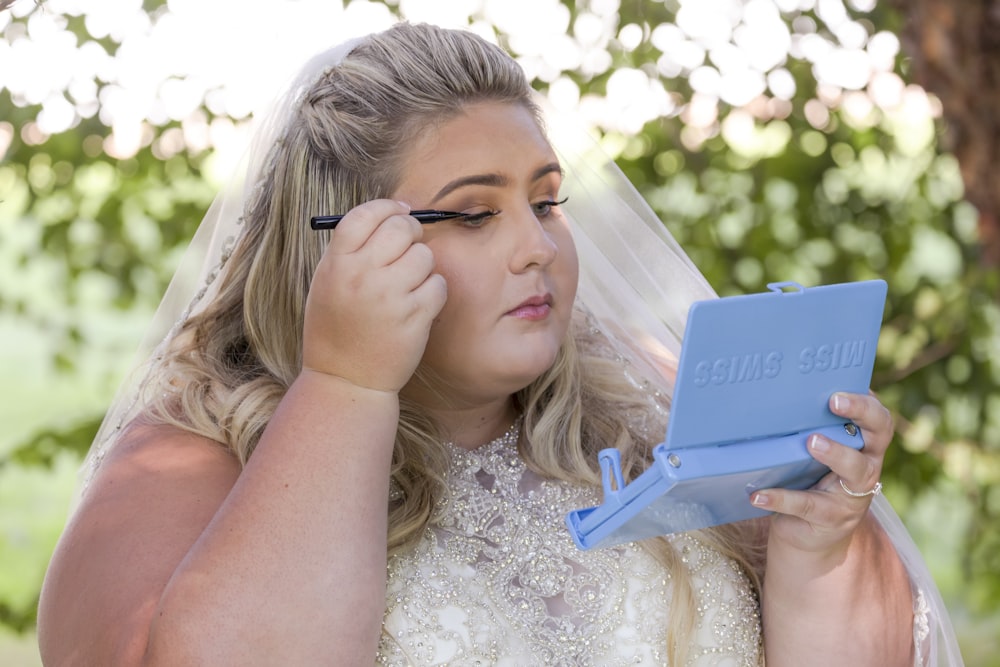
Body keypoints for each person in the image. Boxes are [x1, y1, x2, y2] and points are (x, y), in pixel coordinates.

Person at [37, 21, 962, 666]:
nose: (540, 245)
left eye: (547, 199)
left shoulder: (654, 402)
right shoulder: (187, 463)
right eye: (476, 213)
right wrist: (346, 384)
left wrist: (824, 548)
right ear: (340, 249)